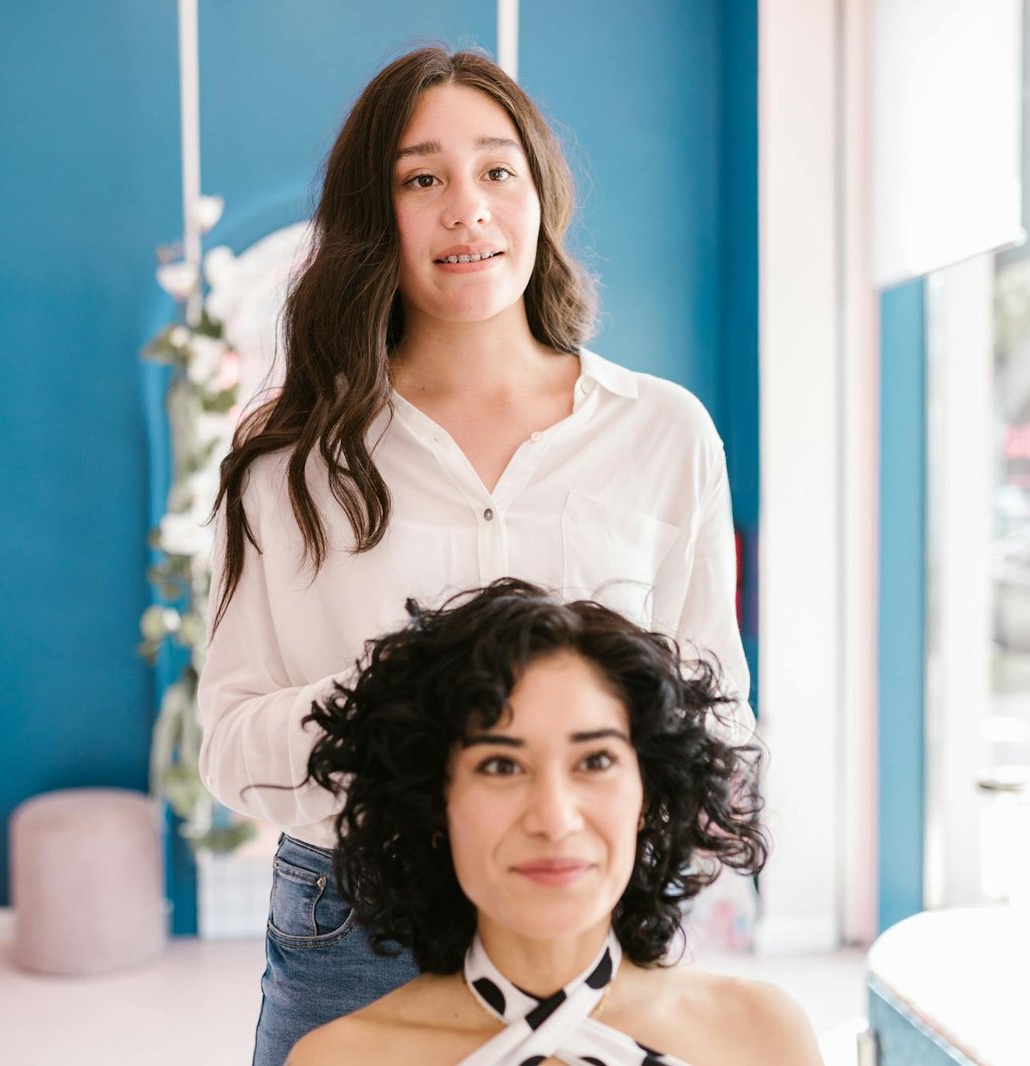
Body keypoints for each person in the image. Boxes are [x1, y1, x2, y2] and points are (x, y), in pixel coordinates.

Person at [197, 46, 754, 1065]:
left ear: (540, 195)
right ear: (376, 216)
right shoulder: (283, 450)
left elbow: (715, 720)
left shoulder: (664, 434)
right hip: (354, 924)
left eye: (498, 169)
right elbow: (229, 744)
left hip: (589, 921)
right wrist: (398, 707)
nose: (468, 208)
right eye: (422, 179)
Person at [286, 580, 821, 1066]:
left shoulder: (762, 1037)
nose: (554, 819)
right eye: (501, 766)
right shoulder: (340, 1059)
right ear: (433, 805)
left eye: (595, 762)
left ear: (647, 794)